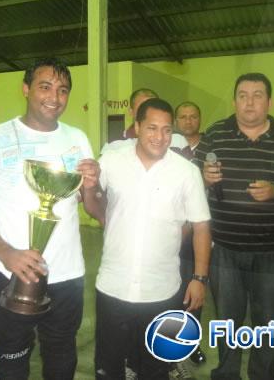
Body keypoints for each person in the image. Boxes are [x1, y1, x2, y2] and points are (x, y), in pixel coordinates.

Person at [0, 58, 100, 380]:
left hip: (67, 274)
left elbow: (94, 209)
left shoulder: (77, 138)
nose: (54, 97)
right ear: (26, 89)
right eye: (45, 86)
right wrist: (7, 253)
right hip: (8, 272)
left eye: (63, 90)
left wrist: (94, 187)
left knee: (61, 360)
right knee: (12, 362)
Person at [86, 98, 211, 379]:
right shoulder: (111, 162)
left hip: (162, 291)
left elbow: (202, 226)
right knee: (109, 367)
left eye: (167, 130)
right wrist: (89, 189)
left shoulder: (186, 172)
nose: (160, 137)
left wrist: (199, 278)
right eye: (152, 128)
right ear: (137, 126)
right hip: (113, 287)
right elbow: (95, 209)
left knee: (155, 370)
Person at [194, 73, 274, 380]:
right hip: (225, 251)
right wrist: (203, 178)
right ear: (234, 101)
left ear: (269, 102)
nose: (249, 102)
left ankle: (264, 376)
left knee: (267, 325)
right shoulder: (216, 133)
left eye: (258, 95)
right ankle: (227, 374)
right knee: (227, 324)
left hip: (271, 252)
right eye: (243, 95)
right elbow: (191, 181)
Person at [174, 101, 208, 368]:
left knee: (197, 292)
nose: (188, 121)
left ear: (200, 119)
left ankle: (192, 343)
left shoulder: (212, 149)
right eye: (182, 117)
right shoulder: (167, 149)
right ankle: (172, 344)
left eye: (192, 116)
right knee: (177, 294)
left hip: (204, 233)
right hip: (175, 236)